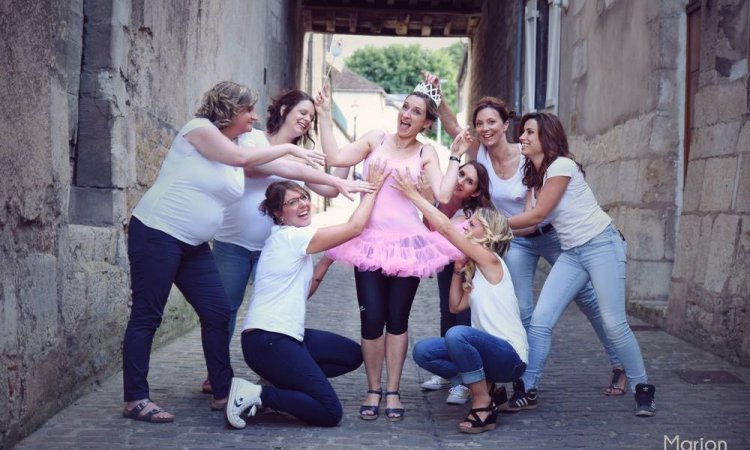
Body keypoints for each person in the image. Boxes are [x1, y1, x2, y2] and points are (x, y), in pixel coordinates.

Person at [121, 81, 326, 423]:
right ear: (231, 110)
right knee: (147, 315)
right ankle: (135, 398)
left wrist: (340, 183)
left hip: (194, 245)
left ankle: (221, 390)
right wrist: (290, 150)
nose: (254, 117)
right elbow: (242, 158)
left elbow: (274, 167)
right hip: (158, 233)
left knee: (217, 313)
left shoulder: (234, 145)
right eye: (249, 111)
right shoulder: (199, 130)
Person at [423, 72, 627, 400]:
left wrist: (493, 225)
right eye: (479, 124)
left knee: (588, 299)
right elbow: (451, 127)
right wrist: (438, 95)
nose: (485, 129)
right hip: (517, 239)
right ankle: (525, 378)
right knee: (523, 308)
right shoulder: (480, 153)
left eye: (492, 122)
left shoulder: (527, 153)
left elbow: (535, 218)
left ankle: (620, 364)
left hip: (548, 234)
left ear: (507, 125)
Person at [203, 89, 373, 394]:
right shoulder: (253, 140)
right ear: (283, 110)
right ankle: (217, 376)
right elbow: (251, 167)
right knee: (224, 311)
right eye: (303, 112)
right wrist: (292, 157)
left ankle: (278, 370)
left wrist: (334, 143)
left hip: (275, 251)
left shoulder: (301, 156)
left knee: (282, 306)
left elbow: (331, 190)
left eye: (311, 116)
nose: (307, 120)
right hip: (234, 243)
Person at [319, 82, 465, 421]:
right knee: (371, 319)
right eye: (405, 107)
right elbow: (336, 158)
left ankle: (394, 391)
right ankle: (373, 388)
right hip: (368, 241)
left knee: (397, 320)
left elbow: (443, 192)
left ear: (427, 123)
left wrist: (456, 154)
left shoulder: (425, 151)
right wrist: (325, 115)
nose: (407, 114)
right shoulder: (375, 139)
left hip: (407, 247)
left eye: (416, 112)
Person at [506, 112, 656, 417]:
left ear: (546, 138)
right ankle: (527, 388)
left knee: (614, 323)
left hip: (602, 245)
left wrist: (491, 222)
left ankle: (642, 387)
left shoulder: (562, 166)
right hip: (572, 253)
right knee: (540, 321)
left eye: (529, 133)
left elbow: (536, 216)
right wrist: (481, 230)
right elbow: (528, 227)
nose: (521, 137)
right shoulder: (536, 179)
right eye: (522, 133)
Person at [225, 160, 389, 429]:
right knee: (329, 411)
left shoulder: (287, 239)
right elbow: (354, 228)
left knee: (350, 355)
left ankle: (282, 382)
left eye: (303, 197)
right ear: (279, 214)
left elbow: (304, 290)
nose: (302, 204)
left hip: (283, 337)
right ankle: (258, 394)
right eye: (292, 203)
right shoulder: (291, 237)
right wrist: (373, 190)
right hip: (269, 341)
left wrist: (326, 260)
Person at [391, 147, 527, 434]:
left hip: (510, 358)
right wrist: (457, 269)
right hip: (489, 355)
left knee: (457, 334)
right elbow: (455, 307)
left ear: (487, 233)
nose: (466, 226)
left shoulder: (491, 261)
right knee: (424, 351)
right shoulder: (475, 268)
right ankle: (488, 387)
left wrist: (414, 196)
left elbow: (446, 229)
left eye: (473, 224)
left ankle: (482, 404)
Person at [418, 161, 495, 407]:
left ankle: (465, 381)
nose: (460, 181)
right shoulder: (450, 205)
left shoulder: (474, 215)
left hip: (468, 270)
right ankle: (449, 372)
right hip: (449, 267)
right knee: (446, 315)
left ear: (476, 191)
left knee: (462, 320)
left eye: (469, 180)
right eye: (460, 174)